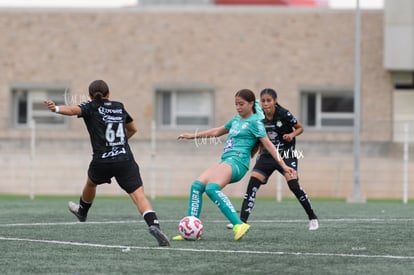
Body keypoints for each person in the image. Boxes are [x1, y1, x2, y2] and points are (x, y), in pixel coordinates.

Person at [44, 80, 170, 246]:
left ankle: (82, 211)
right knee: (139, 196)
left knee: (91, 183)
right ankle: (154, 225)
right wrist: (121, 143)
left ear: (90, 95)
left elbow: (73, 110)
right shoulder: (118, 106)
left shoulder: (90, 106)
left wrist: (56, 108)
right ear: (109, 93)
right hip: (124, 159)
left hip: (102, 160)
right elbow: (133, 129)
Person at [173, 89, 295, 241]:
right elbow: (217, 131)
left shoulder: (255, 123)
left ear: (251, 104)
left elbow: (270, 146)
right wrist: (193, 136)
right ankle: (191, 229)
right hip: (226, 160)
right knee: (196, 186)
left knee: (211, 188)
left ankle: (239, 224)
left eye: (241, 104)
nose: (238, 107)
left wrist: (284, 166)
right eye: (236, 104)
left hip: (238, 162)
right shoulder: (236, 120)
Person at [227, 88, 319, 231]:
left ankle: (312, 217)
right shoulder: (258, 117)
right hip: (267, 156)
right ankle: (241, 222)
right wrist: (253, 150)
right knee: (252, 185)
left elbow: (300, 128)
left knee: (294, 185)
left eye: (269, 100)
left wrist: (292, 135)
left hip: (286, 155)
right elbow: (258, 136)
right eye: (263, 100)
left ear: (275, 101)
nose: (265, 103)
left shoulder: (284, 114)